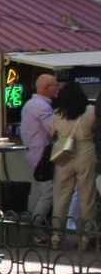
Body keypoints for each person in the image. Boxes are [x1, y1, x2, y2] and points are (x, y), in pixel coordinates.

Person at [47, 80, 96, 243]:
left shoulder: (57, 113)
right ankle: (86, 235)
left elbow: (51, 133)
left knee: (61, 195)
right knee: (87, 195)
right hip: (86, 151)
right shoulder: (90, 111)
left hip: (64, 153)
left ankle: (56, 234)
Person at [22, 73, 59, 222]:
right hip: (41, 156)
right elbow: (53, 131)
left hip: (34, 154)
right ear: (45, 88)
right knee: (47, 194)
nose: (58, 88)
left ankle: (36, 225)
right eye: (55, 85)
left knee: (42, 193)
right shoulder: (41, 106)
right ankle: (35, 228)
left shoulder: (31, 104)